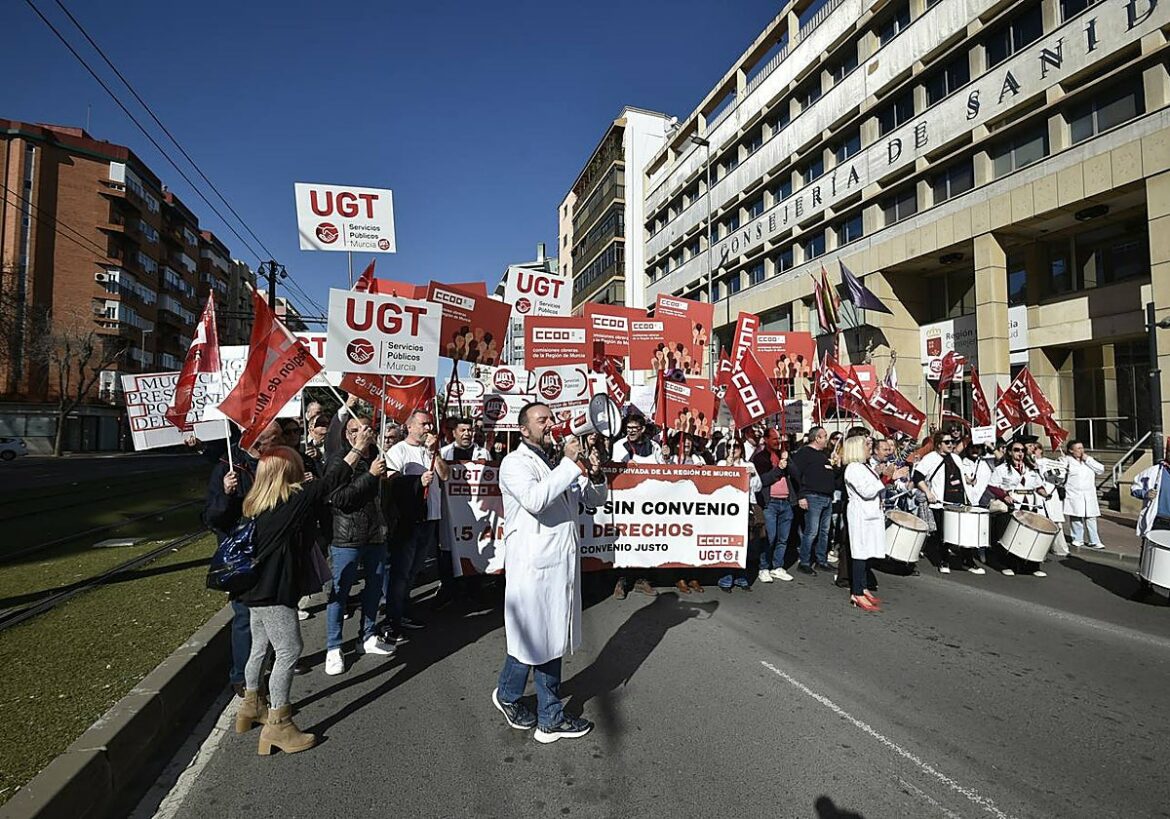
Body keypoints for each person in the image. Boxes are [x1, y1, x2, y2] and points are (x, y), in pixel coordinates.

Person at [235, 435, 376, 755]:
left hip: (252, 589)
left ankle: (250, 705)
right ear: (287, 472)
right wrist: (356, 450)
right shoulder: (292, 500)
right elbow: (332, 482)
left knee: (260, 647)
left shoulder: (255, 503)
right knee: (288, 650)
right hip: (273, 591)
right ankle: (278, 724)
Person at [492, 402, 607, 743]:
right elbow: (536, 499)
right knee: (541, 640)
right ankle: (550, 716)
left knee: (543, 638)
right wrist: (572, 464)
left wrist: (595, 473)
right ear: (524, 430)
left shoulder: (556, 463)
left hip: (560, 565)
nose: (551, 424)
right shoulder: (515, 463)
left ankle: (510, 696)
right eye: (542, 420)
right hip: (533, 566)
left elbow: (594, 500)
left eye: (551, 418)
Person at [204, 420, 284, 698]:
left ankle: (270, 662)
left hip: (271, 549)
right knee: (244, 615)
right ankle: (241, 676)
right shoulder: (228, 468)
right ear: (258, 442)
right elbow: (212, 518)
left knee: (273, 610)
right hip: (242, 555)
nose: (280, 443)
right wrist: (226, 495)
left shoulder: (277, 464)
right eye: (275, 439)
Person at [324, 415, 394, 676]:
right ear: (346, 434)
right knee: (340, 592)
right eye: (353, 430)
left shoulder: (378, 455)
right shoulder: (339, 460)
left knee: (374, 589)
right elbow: (339, 498)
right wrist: (371, 476)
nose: (359, 434)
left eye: (364, 429)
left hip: (376, 534)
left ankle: (367, 635)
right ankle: (333, 646)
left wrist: (385, 480)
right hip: (347, 537)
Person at [383, 410, 449, 644]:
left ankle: (404, 610)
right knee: (400, 573)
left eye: (430, 424)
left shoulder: (430, 450)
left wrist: (435, 453)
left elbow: (445, 475)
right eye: (423, 424)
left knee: (413, 571)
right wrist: (416, 482)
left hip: (430, 518)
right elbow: (390, 482)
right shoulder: (398, 451)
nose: (428, 428)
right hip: (408, 521)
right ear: (409, 427)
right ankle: (392, 620)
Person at [436, 417, 491, 607]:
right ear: (454, 433)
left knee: (474, 550)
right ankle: (449, 590)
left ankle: (474, 592)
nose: (467, 434)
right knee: (448, 551)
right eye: (463, 430)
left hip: (476, 510)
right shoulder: (444, 452)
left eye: (470, 430)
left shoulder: (483, 453)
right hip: (451, 510)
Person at [609, 414, 661, 599]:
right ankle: (621, 581)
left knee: (645, 540)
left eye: (634, 428)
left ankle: (642, 579)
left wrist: (667, 458)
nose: (631, 431)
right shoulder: (618, 446)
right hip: (627, 503)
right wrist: (624, 466)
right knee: (625, 541)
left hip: (648, 503)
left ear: (642, 429)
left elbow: (663, 472)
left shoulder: (655, 447)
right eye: (628, 428)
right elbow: (613, 471)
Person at [988, 437, 1050, 577]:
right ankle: (1008, 564)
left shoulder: (1031, 468)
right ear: (1009, 452)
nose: (1020, 453)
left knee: (1029, 536)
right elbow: (992, 486)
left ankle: (1032, 566)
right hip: (1011, 505)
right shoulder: (1002, 469)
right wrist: (1005, 496)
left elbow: (1038, 485)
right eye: (1016, 450)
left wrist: (1045, 494)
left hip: (1029, 505)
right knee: (1009, 536)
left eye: (1022, 450)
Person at [912, 430, 970, 575]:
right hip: (941, 502)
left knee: (962, 532)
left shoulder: (956, 458)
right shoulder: (930, 458)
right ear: (938, 445)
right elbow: (917, 476)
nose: (951, 445)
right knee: (944, 533)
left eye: (952, 442)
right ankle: (943, 560)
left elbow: (960, 477)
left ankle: (968, 561)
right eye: (947, 442)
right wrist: (928, 492)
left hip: (958, 502)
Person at [842, 435, 884, 611]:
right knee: (859, 552)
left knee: (868, 551)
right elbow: (866, 491)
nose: (870, 448)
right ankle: (857, 592)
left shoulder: (865, 467)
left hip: (872, 514)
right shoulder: (852, 468)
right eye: (866, 445)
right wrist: (886, 478)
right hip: (860, 515)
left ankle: (864, 587)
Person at [788, 426, 835, 576]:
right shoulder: (804, 453)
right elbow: (795, 475)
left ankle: (821, 560)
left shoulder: (823, 455)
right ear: (817, 438)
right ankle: (805, 562)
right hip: (812, 496)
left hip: (827, 497)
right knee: (811, 531)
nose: (826, 439)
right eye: (824, 436)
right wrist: (801, 496)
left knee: (824, 531)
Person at [750, 428, 794, 583]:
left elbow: (796, 474)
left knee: (783, 538)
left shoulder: (784, 455)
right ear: (766, 440)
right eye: (774, 439)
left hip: (786, 502)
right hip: (770, 503)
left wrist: (787, 460)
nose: (777, 442)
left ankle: (778, 566)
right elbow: (762, 481)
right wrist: (778, 469)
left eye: (779, 439)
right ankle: (764, 567)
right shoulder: (760, 458)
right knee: (769, 537)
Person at [718, 440, 762, 591]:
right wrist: (726, 470)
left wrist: (752, 476)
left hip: (746, 508)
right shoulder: (721, 464)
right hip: (728, 510)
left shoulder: (749, 465)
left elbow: (758, 486)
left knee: (745, 543)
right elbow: (716, 484)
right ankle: (726, 576)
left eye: (735, 446)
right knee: (729, 542)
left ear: (741, 449)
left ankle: (741, 575)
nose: (732, 449)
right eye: (729, 447)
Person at [1131, 441, 1170, 597]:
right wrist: (1145, 494)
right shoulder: (1155, 471)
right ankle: (1145, 586)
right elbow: (1135, 487)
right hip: (1158, 519)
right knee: (1149, 553)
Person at [1062, 440, 1105, 551]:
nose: (1081, 451)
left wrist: (1088, 460)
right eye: (1078, 448)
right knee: (1076, 517)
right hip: (1074, 494)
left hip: (1089, 494)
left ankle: (1094, 541)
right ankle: (1077, 539)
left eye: (1082, 448)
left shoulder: (1088, 461)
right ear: (1071, 450)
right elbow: (1060, 475)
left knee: (1091, 518)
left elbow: (1101, 470)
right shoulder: (1066, 460)